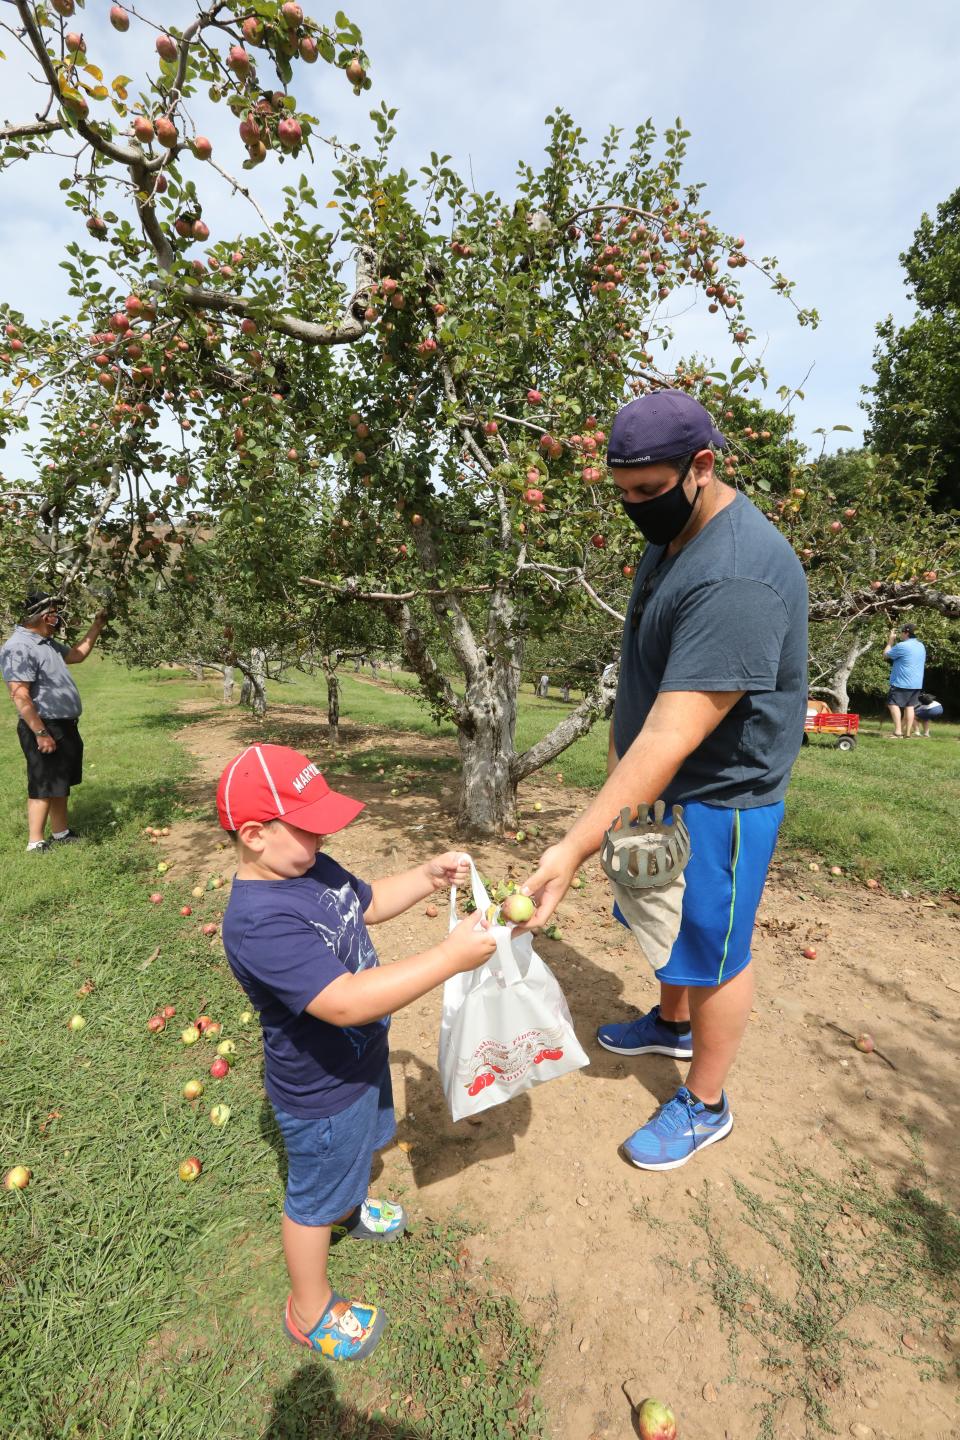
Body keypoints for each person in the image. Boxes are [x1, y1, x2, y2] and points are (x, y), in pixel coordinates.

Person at [520, 390, 808, 1171]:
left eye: (647, 492)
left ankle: (706, 1103)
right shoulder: (676, 535)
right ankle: (672, 1025)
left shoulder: (739, 577)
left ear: (702, 467)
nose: (634, 509)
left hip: (721, 796)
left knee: (715, 945)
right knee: (662, 915)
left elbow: (676, 730)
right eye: (622, 494)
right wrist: (624, 792)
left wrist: (575, 845)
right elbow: (648, 688)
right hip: (663, 784)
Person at [217, 743, 495, 1361]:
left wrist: (426, 877)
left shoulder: (307, 867)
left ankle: (350, 1203)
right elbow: (342, 1002)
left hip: (360, 1061)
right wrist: (447, 958)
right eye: (309, 829)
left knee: (362, 1145)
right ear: (256, 834)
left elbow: (364, 903)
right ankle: (308, 1307)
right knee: (312, 1197)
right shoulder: (259, 921)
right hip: (319, 1090)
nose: (321, 840)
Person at [1, 592, 108, 851]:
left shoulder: (45, 642)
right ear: (40, 615)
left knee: (60, 782)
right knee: (43, 783)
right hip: (43, 724)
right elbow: (20, 694)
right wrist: (40, 731)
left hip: (63, 724)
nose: (57, 617)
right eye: (53, 612)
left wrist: (96, 626)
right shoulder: (19, 647)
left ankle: (61, 833)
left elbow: (76, 655)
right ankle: (35, 841)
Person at [883, 623, 926, 738]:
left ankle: (897, 732)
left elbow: (886, 655)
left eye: (902, 632)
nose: (900, 634)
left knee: (892, 704)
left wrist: (890, 641)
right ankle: (907, 734)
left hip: (902, 682)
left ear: (906, 633)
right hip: (916, 683)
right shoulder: (921, 645)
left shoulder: (902, 646)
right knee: (909, 706)